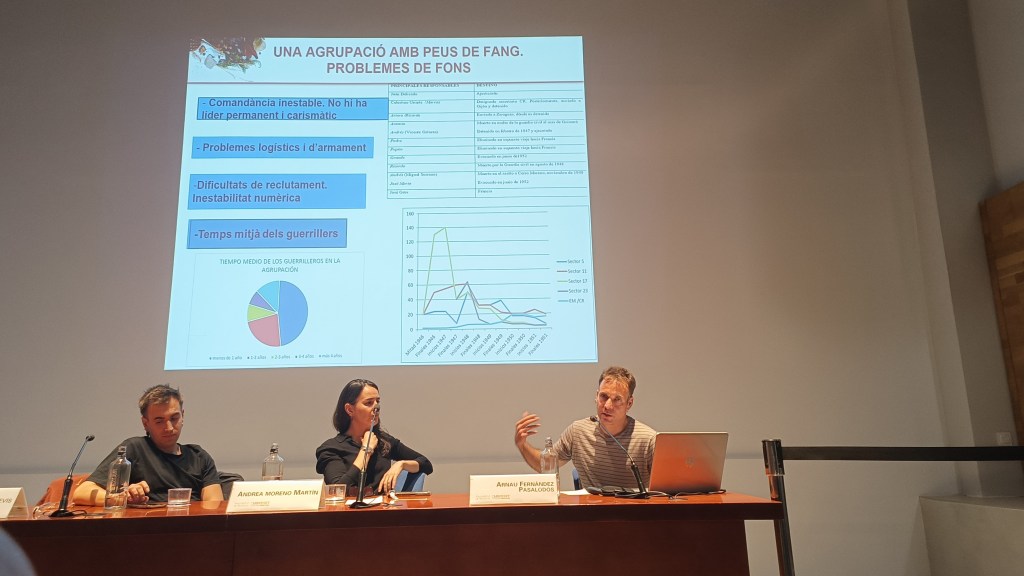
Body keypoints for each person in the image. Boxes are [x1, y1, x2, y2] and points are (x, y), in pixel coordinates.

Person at [73, 384, 222, 505]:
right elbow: (82, 493)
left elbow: (215, 507)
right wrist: (123, 497)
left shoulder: (199, 457)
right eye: (159, 421)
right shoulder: (135, 448)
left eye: (174, 418)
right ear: (145, 423)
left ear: (183, 416)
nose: (169, 427)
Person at [514, 366, 656, 490]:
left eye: (617, 399)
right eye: (603, 396)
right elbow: (545, 466)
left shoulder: (648, 439)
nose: (607, 406)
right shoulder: (578, 432)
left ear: (629, 403)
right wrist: (522, 445)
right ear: (596, 396)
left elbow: (664, 491)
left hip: (635, 511)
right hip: (591, 510)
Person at [316, 379, 432, 495]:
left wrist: (401, 464)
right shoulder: (331, 449)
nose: (376, 408)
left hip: (383, 506)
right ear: (350, 409)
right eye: (369, 403)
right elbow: (338, 491)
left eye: (377, 402)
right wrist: (366, 451)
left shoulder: (384, 441)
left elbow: (426, 464)